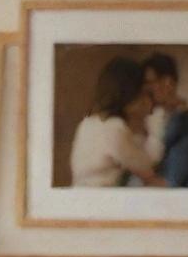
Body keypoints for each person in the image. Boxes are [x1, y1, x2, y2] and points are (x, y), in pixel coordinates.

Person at [69, 56, 165, 187]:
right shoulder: (113, 128)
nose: (148, 100)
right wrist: (156, 126)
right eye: (143, 92)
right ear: (128, 93)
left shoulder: (89, 123)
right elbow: (147, 167)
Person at [140, 52, 188, 188]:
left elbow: (171, 181)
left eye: (150, 83)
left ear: (168, 83)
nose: (145, 89)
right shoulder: (155, 118)